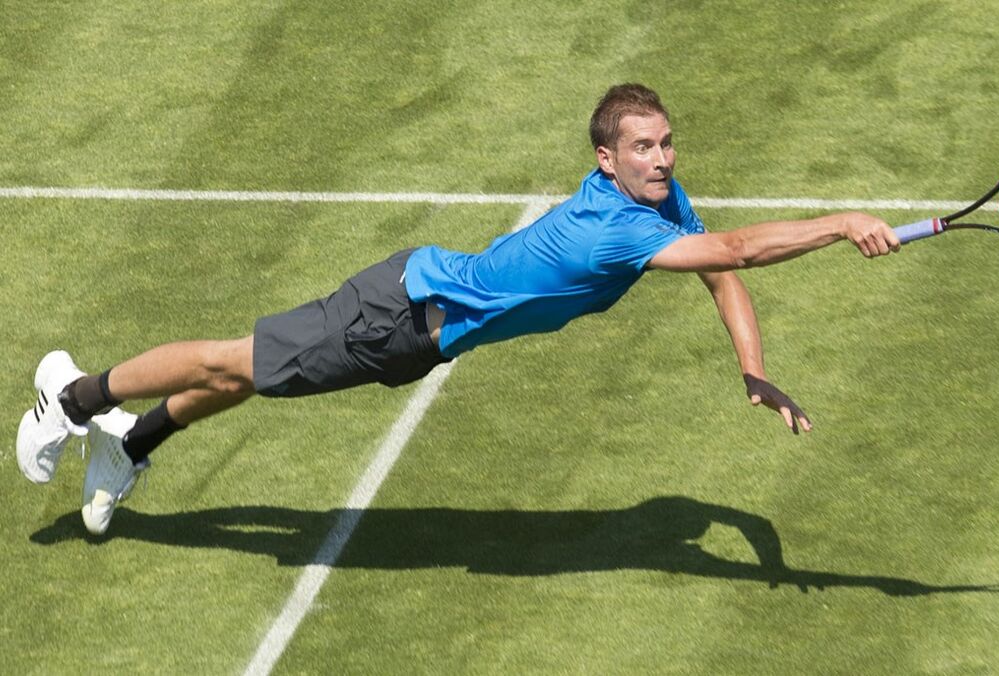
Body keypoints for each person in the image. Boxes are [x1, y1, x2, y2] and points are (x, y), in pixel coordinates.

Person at [16, 83, 900, 536]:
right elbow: (737, 252)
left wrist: (752, 369)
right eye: (643, 147)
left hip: (420, 336)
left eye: (667, 143)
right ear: (606, 159)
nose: (662, 159)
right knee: (231, 360)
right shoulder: (615, 231)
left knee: (260, 372)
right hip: (397, 314)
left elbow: (720, 271)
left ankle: (132, 445)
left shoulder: (659, 203)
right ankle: (75, 397)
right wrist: (840, 223)